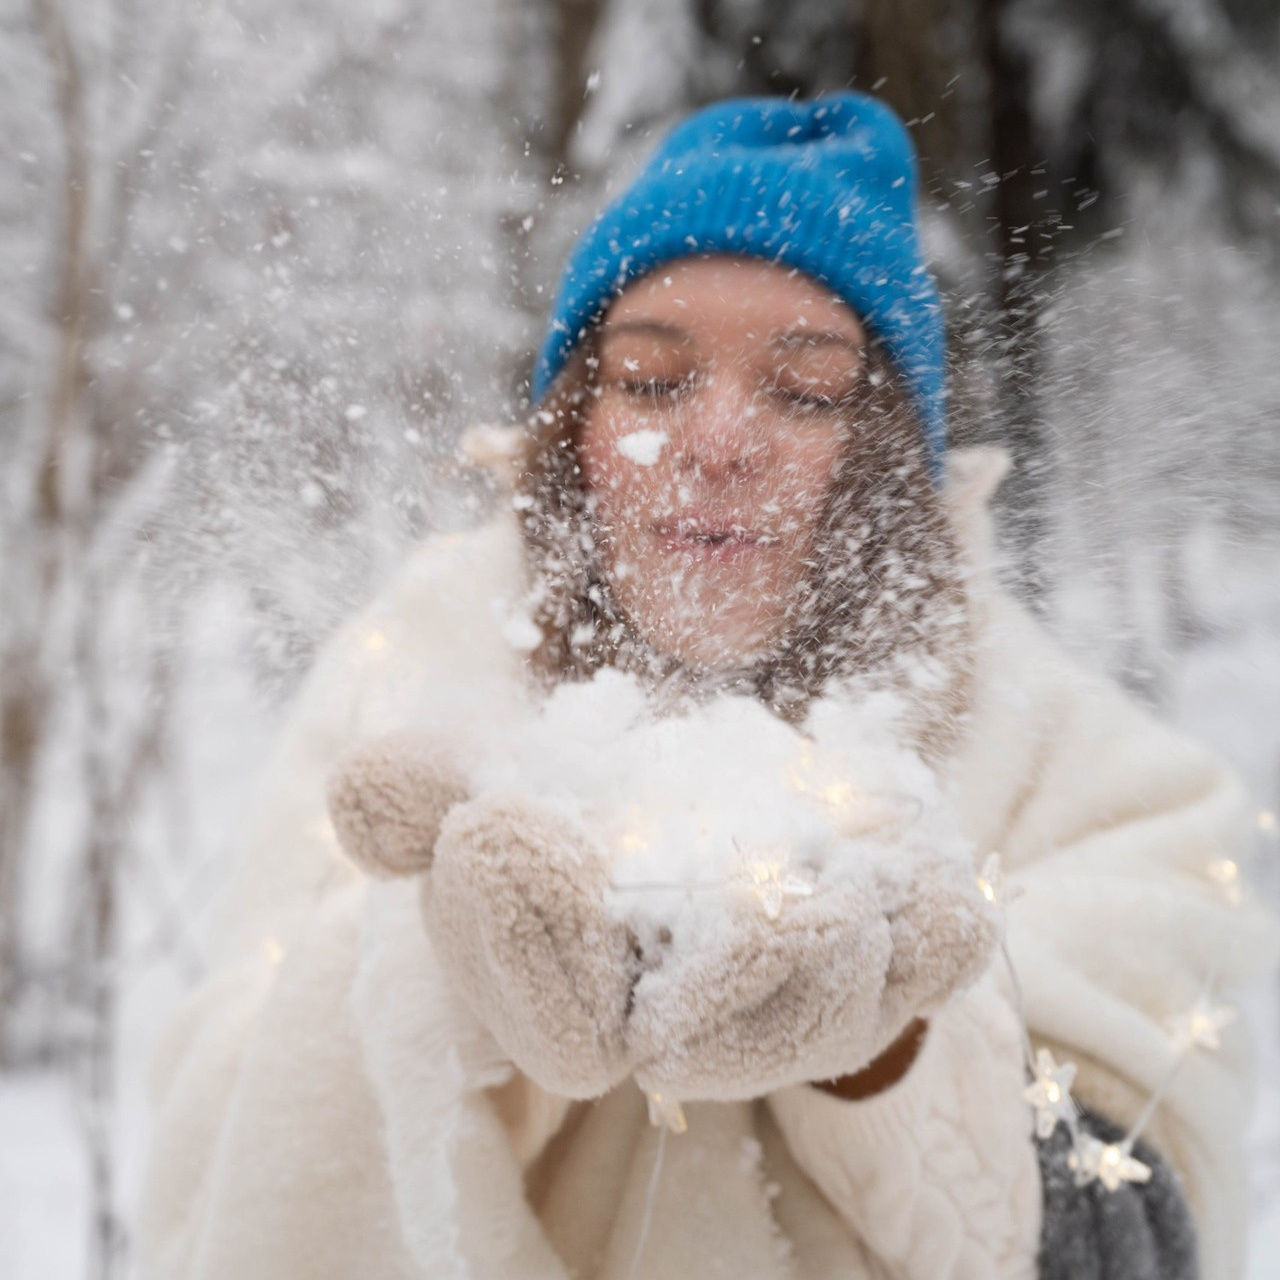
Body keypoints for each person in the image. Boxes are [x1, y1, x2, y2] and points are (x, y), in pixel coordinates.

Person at [136, 95, 1276, 1280]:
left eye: (804, 391)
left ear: (887, 446)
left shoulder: (1075, 760)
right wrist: (441, 978)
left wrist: (880, 1058)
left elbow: (1143, 1238)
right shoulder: (416, 666)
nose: (717, 440)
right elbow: (213, 1156)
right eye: (647, 378)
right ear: (573, 426)